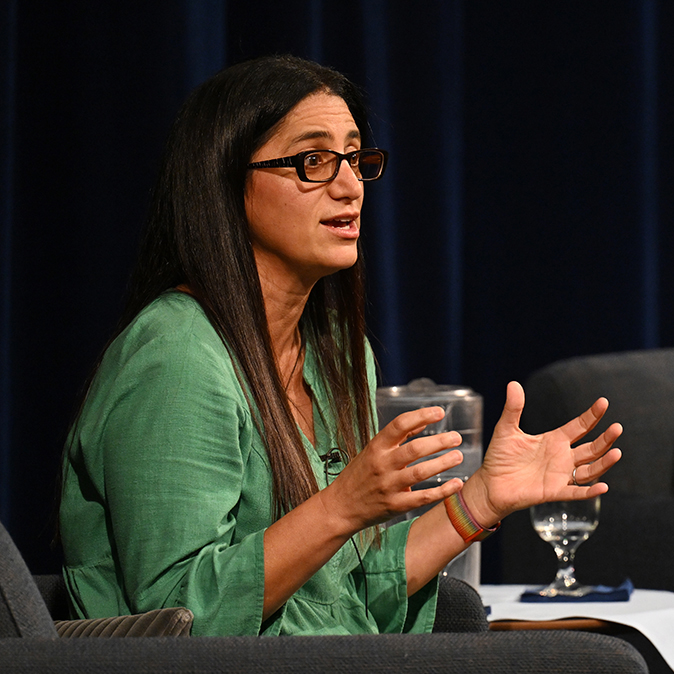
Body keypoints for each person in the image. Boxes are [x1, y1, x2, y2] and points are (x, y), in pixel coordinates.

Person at [59, 54, 622, 637]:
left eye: (355, 158)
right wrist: (342, 505)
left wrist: (484, 498)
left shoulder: (339, 355)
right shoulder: (175, 354)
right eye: (314, 161)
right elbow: (177, 620)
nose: (351, 185)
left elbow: (344, 597)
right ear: (225, 183)